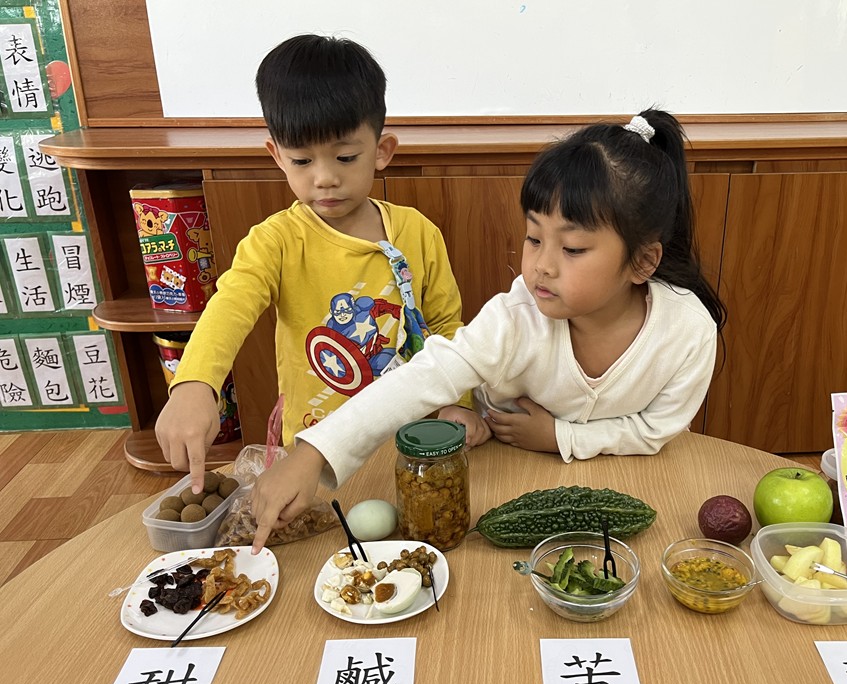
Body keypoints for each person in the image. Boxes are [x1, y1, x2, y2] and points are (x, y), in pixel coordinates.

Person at [249, 108, 726, 552]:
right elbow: (426, 374)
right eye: (534, 238)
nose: (541, 266)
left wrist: (560, 437)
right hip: (496, 463)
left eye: (573, 249)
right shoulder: (517, 318)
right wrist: (313, 453)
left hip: (627, 479)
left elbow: (655, 431)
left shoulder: (687, 333)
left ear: (642, 261)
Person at [155, 35, 474, 493]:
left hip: (414, 445)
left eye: (345, 157)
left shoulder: (418, 232)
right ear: (277, 156)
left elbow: (445, 326)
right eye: (302, 160)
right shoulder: (275, 241)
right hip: (314, 454)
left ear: (382, 150)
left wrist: (459, 403)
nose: (325, 177)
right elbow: (231, 305)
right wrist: (194, 383)